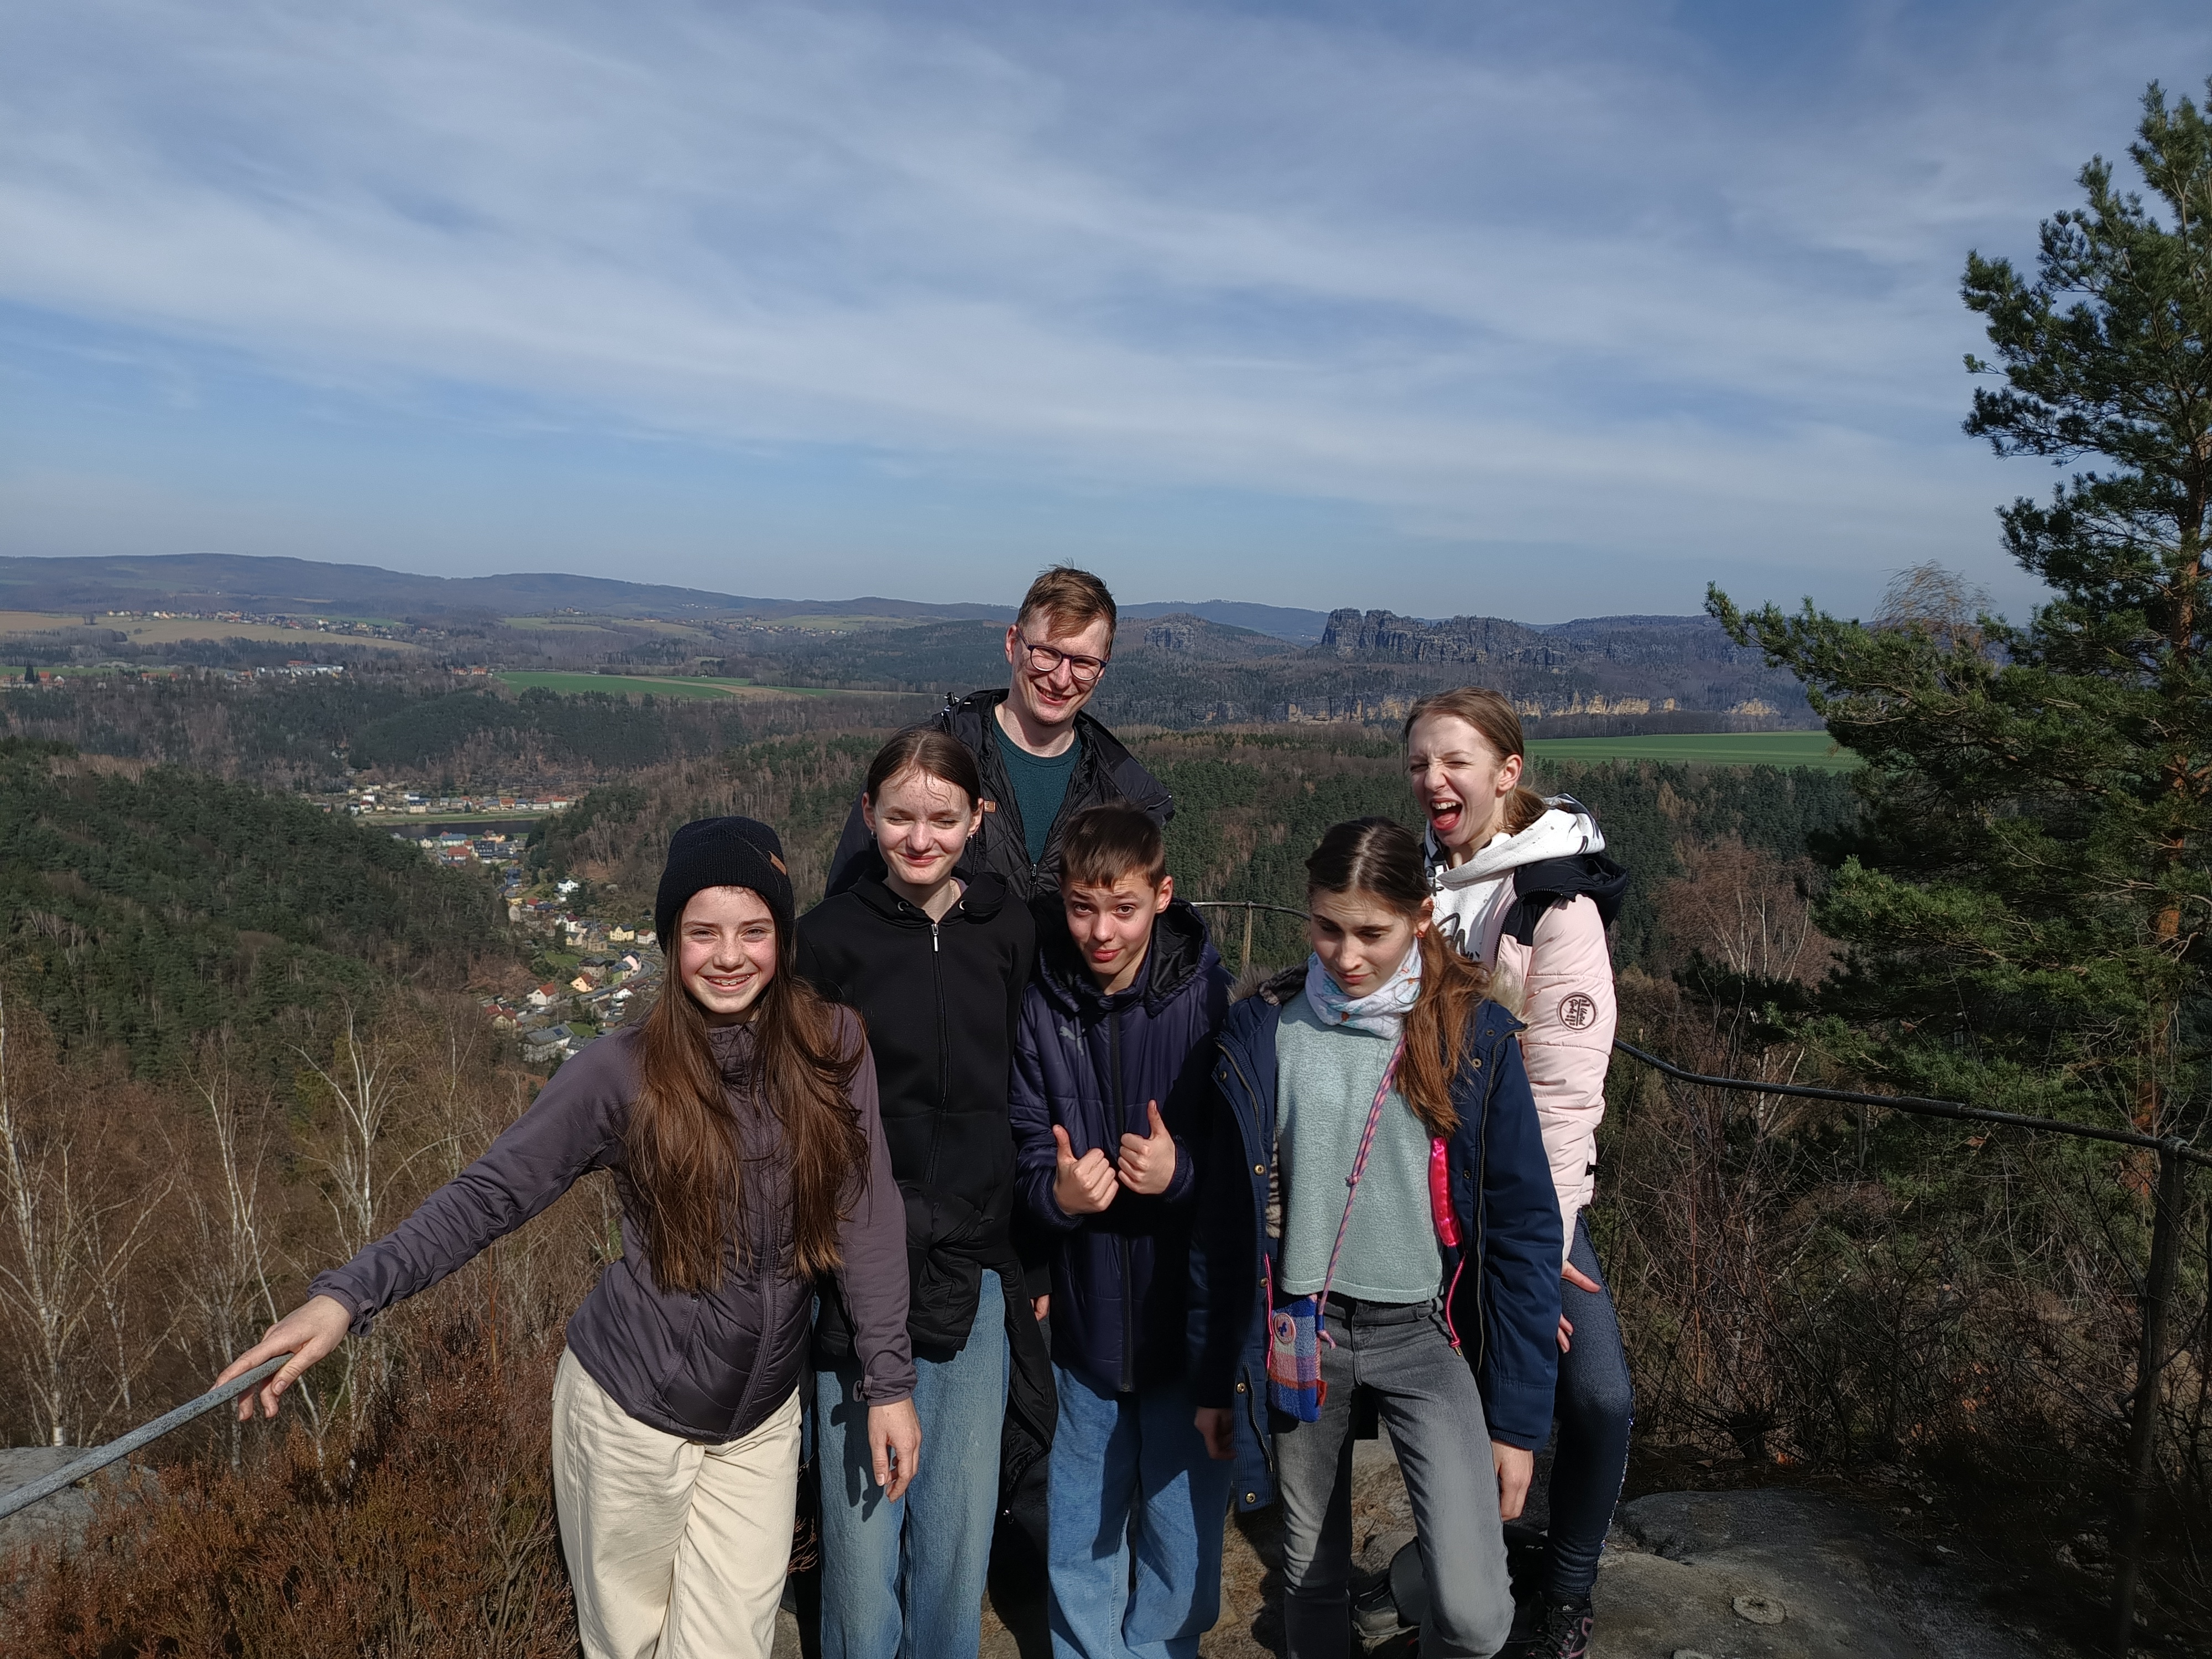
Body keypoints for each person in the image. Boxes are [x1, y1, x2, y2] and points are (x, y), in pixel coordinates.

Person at [218, 816, 919, 1659]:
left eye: (754, 931)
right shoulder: (619, 1073)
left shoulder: (834, 1048)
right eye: (702, 932)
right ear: (671, 943)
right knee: (625, 1645)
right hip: (628, 1422)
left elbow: (867, 1217)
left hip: (761, 1427)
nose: (729, 956)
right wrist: (346, 1296)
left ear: (782, 937)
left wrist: (889, 1381)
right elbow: (489, 1196)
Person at [1190, 817, 1562, 1659]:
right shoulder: (1266, 1034)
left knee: (1474, 1613)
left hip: (1427, 1336)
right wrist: (1219, 1379)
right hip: (1302, 1331)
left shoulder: (1472, 1039)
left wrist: (1516, 1423)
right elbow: (1224, 1225)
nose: (1346, 956)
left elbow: (1525, 1235)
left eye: (1373, 933)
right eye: (1327, 927)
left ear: (1421, 918)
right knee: (1309, 1585)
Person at [795, 728, 1047, 1659]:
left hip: (976, 1265)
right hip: (858, 1275)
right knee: (862, 1563)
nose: (920, 836)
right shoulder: (827, 943)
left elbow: (1026, 1090)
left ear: (977, 819)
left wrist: (1030, 1257)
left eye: (944, 817)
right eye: (899, 816)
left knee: (955, 1541)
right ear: (867, 817)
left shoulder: (1007, 927)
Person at [1403, 688, 1629, 1659]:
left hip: (1526, 1193)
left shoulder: (1552, 902)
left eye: (1455, 761)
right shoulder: (1426, 880)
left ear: (1509, 773)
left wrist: (1546, 1246)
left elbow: (1567, 1093)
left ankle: (1568, 1589)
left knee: (1599, 1393)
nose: (1432, 780)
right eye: (1418, 762)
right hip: (1422, 1180)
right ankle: (1459, 1571)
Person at [1008, 805, 1234, 1659]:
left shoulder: (1208, 1001)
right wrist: (1058, 1193)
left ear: (1163, 896)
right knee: (1083, 1532)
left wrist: (1180, 1175)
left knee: (1182, 1540)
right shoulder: (1041, 1006)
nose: (1101, 931)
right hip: (1083, 1330)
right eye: (1080, 907)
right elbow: (1027, 1145)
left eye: (1125, 909)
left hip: (1186, 1326)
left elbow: (1246, 1172)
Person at [826, 566, 1173, 911]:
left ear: (1102, 669)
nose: (1061, 679)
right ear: (1013, 644)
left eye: (1083, 662)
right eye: (1047, 653)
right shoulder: (926, 758)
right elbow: (844, 910)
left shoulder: (1126, 794)